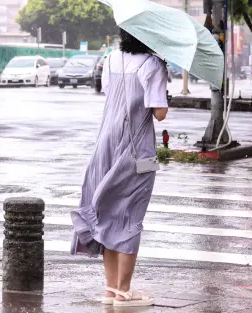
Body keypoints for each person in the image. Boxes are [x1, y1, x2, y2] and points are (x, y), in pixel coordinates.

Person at [70, 28, 168, 307]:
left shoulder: (112, 58)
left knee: (107, 213)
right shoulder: (153, 64)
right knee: (130, 216)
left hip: (105, 143)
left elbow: (110, 94)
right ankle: (124, 291)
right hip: (137, 148)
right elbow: (159, 113)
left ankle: (111, 289)